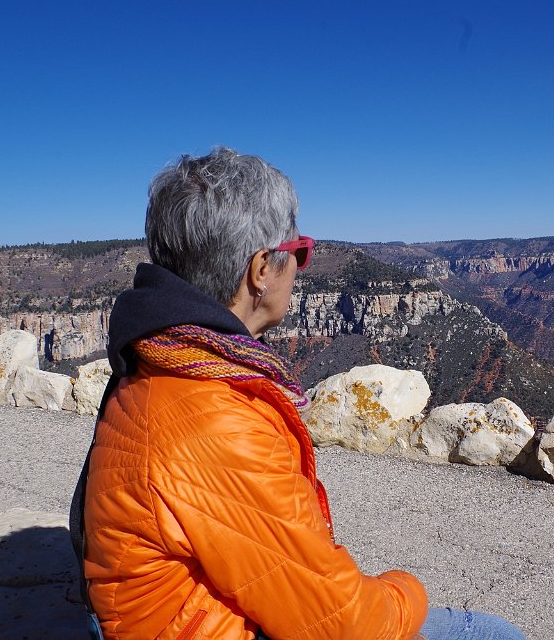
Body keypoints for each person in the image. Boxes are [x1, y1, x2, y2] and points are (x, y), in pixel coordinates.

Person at [73, 147, 525, 639]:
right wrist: (408, 589)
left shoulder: (156, 356)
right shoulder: (216, 419)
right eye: (300, 252)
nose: (302, 268)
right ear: (261, 269)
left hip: (173, 616)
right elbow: (347, 626)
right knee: (492, 633)